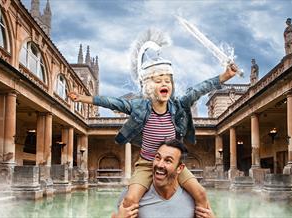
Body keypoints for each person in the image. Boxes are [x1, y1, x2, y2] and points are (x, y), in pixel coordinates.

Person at [69, 29, 237, 215]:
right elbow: (112, 102)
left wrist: (224, 76)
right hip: (147, 163)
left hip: (172, 165)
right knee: (130, 199)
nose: (164, 83)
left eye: (168, 80)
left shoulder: (178, 106)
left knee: (201, 193)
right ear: (149, 86)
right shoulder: (140, 107)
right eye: (158, 81)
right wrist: (83, 98)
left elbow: (198, 89)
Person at [112, 139, 214, 218]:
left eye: (168, 161)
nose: (160, 164)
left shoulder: (193, 196)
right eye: (157, 157)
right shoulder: (131, 195)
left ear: (180, 168)